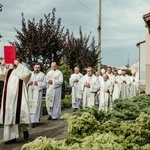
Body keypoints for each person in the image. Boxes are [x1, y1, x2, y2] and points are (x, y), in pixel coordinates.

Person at [0, 58, 31, 144]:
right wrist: (2, 66)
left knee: (20, 116)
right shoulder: (8, 71)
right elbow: (1, 76)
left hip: (19, 98)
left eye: (16, 61)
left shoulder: (22, 70)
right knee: (9, 117)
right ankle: (11, 138)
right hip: (9, 98)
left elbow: (27, 74)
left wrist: (19, 65)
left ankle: (24, 130)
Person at [27, 63, 46, 128]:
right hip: (30, 93)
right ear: (33, 67)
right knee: (31, 106)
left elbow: (45, 85)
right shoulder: (30, 74)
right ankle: (33, 119)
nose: (37, 69)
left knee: (36, 106)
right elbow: (25, 82)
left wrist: (38, 83)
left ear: (40, 68)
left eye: (38, 67)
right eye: (36, 67)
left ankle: (34, 121)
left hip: (38, 93)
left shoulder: (42, 75)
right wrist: (28, 83)